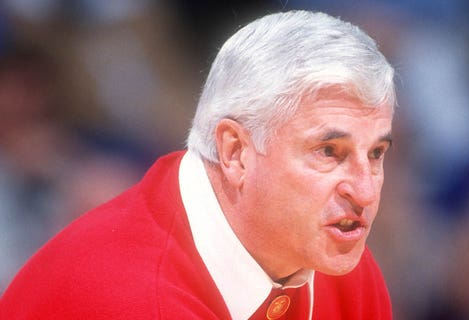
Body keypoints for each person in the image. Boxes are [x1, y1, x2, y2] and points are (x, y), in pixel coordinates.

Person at [0, 10, 396, 319]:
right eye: (329, 151)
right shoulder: (133, 303)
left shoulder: (335, 261)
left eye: (376, 154)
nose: (364, 191)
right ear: (235, 152)